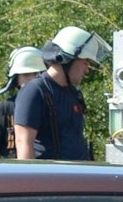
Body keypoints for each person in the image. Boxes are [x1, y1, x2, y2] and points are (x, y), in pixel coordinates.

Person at [14, 26, 111, 161]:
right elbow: (23, 143)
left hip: (79, 178)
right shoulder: (34, 92)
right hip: (52, 179)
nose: (87, 70)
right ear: (67, 58)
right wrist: (32, 182)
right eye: (85, 62)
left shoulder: (73, 93)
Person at [0, 46, 46, 158]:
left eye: (36, 74)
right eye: (26, 75)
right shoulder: (4, 110)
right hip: (11, 173)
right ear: (17, 79)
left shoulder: (53, 107)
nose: (32, 79)